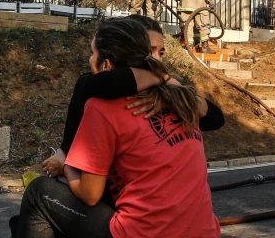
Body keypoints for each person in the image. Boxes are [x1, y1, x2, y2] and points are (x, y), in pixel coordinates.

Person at [2, 17, 221, 238]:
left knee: (39, 194)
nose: (89, 61)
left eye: (93, 54)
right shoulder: (184, 101)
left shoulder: (102, 107)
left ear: (104, 63)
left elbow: (89, 193)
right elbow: (215, 116)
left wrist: (67, 167)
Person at [42, 15, 223, 178]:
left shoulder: (168, 91)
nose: (156, 59)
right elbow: (104, 83)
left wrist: (172, 94)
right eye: (149, 51)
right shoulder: (98, 86)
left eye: (161, 53)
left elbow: (215, 118)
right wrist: (162, 78)